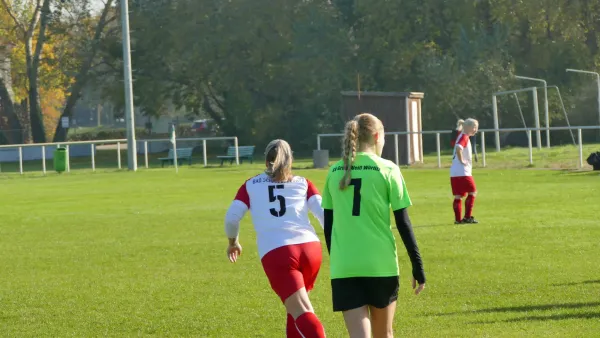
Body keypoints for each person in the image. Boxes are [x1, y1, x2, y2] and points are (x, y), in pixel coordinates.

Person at [321, 113, 426, 338]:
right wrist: (417, 265)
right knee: (383, 334)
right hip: (381, 264)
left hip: (345, 266)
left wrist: (339, 258)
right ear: (377, 136)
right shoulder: (388, 169)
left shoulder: (334, 171)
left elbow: (328, 226)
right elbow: (403, 223)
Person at [224, 139, 327, 338]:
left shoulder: (251, 185)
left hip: (279, 253)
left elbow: (231, 218)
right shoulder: (303, 182)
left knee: (302, 311)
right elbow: (324, 214)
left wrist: (233, 242)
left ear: (265, 162)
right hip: (311, 250)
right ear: (290, 161)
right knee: (294, 311)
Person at [450, 118, 479, 224]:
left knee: (458, 195)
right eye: (474, 127)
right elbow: (458, 148)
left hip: (454, 172)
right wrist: (462, 160)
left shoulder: (461, 136)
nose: (476, 129)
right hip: (463, 172)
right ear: (467, 127)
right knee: (473, 192)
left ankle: (458, 220)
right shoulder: (464, 136)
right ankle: (467, 217)